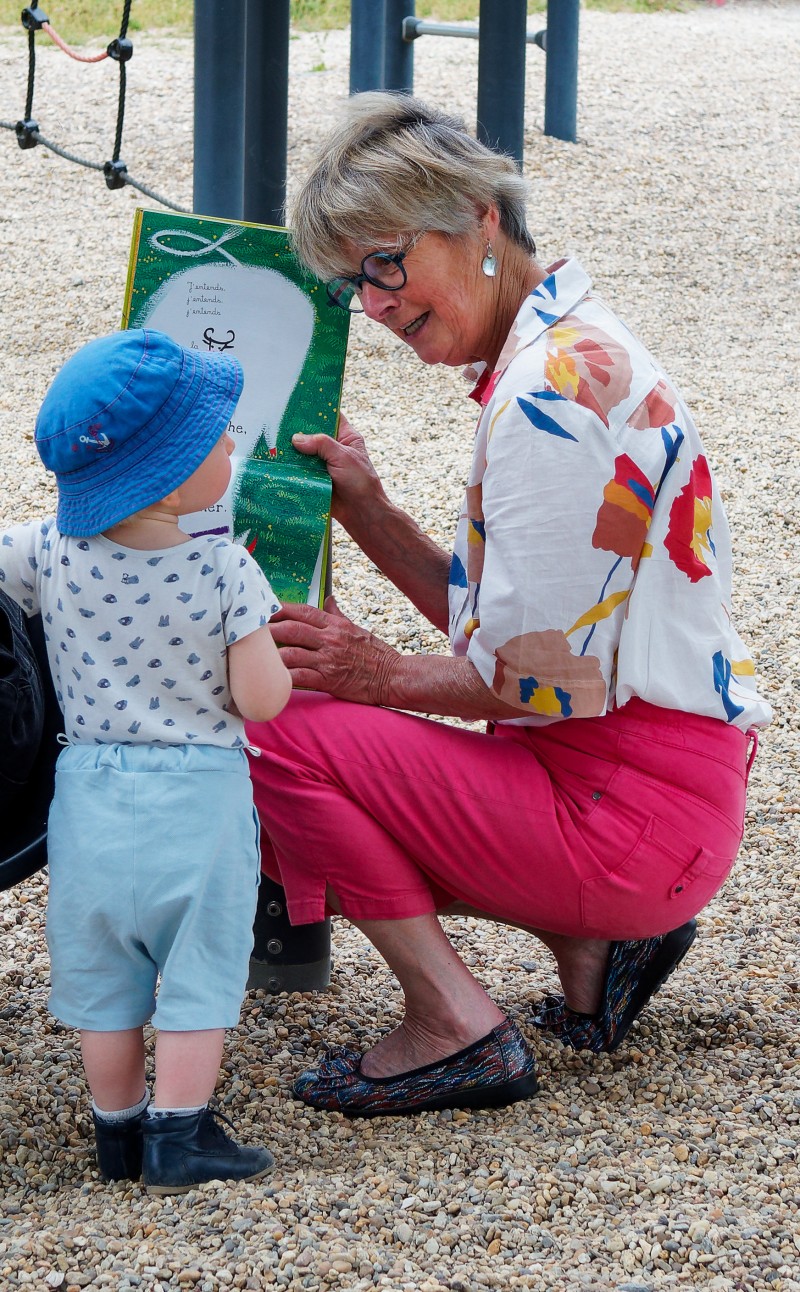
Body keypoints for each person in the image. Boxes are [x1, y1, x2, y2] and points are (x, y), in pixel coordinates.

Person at [245, 92, 772, 1119]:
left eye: (385, 263)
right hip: (660, 791)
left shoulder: (544, 398)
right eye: (355, 280)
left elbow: (531, 679)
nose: (375, 302)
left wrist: (371, 673)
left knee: (279, 729)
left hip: (623, 817)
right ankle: (590, 945)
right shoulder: (570, 348)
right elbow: (515, 629)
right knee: (315, 708)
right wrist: (370, 508)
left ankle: (454, 1022)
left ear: (478, 218)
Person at [0, 329, 291, 1190]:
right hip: (197, 800)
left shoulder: (50, 551)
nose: (232, 443)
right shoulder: (226, 570)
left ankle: (116, 1133)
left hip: (87, 800)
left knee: (105, 978)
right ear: (169, 472)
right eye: (218, 437)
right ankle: (181, 1134)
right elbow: (263, 700)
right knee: (198, 969)